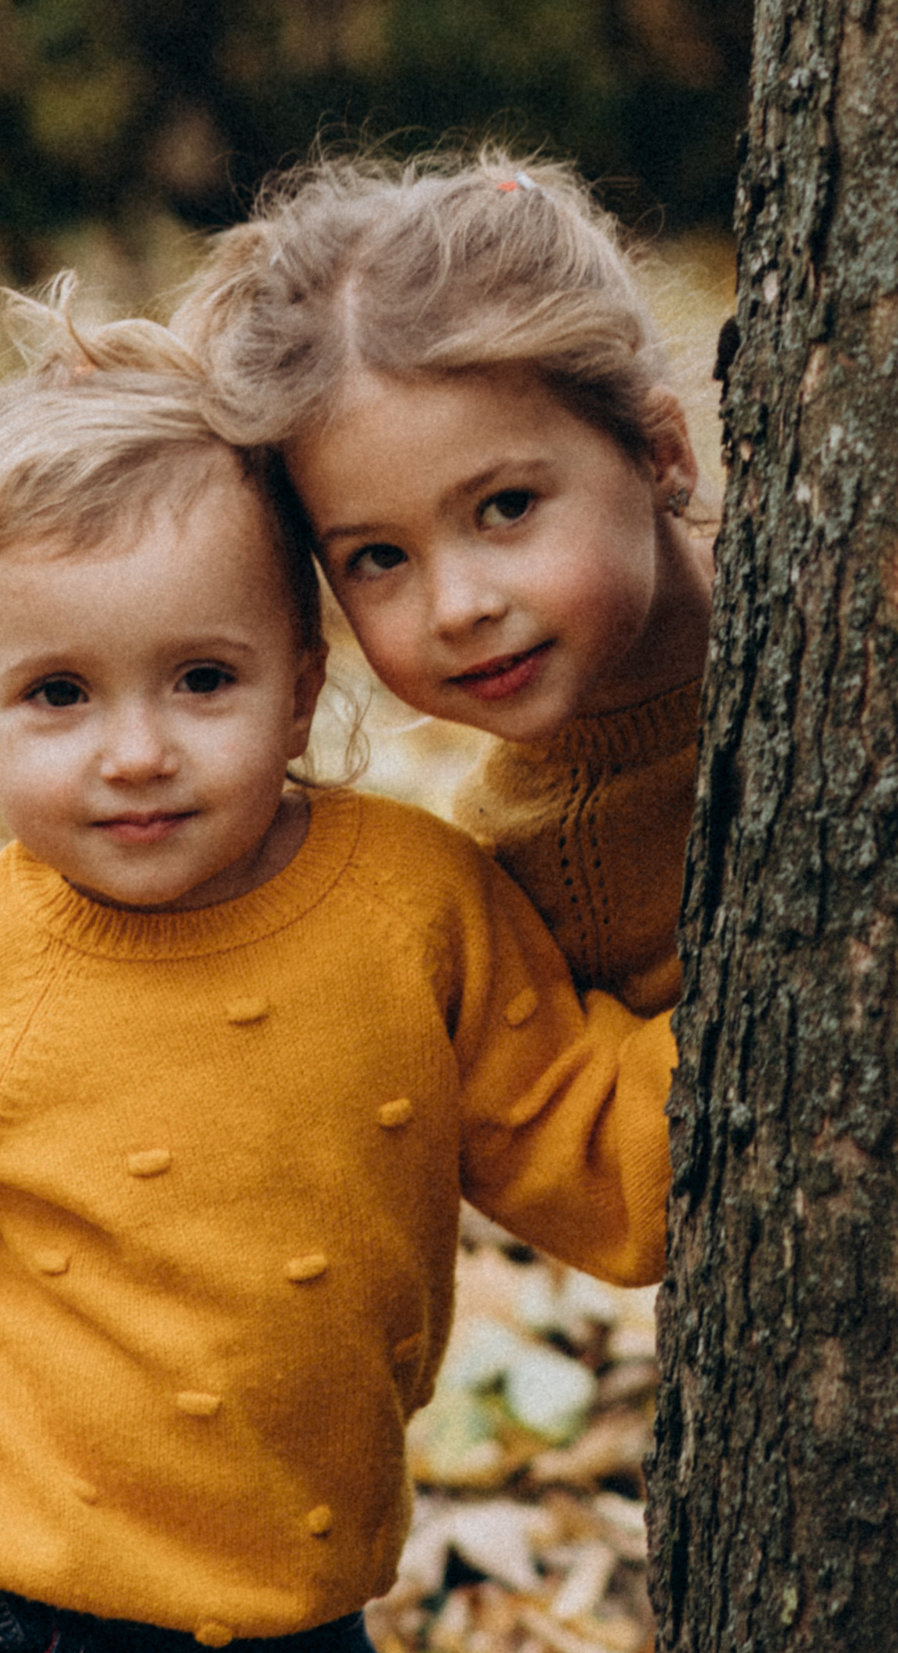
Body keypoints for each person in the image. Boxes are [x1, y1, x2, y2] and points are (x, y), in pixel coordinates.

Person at [0, 282, 674, 1653]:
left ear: (300, 690)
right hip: (8, 1612)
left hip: (303, 1617)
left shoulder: (418, 905)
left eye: (201, 679)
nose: (136, 752)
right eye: (59, 694)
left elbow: (586, 1146)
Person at [176, 149, 717, 1017]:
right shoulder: (530, 878)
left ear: (661, 453)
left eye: (505, 506)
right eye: (378, 558)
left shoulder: (848, 613)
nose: (460, 608)